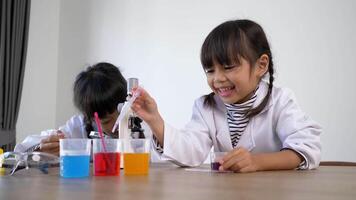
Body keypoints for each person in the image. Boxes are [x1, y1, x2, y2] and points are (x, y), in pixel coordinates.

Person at [131, 19, 322, 172]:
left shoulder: (280, 101)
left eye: (229, 67)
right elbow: (189, 152)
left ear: (261, 65)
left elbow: (306, 149)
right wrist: (154, 119)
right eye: (210, 70)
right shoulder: (205, 107)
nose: (218, 79)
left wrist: (256, 162)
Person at [15, 62, 149, 157]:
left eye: (121, 114)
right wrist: (42, 149)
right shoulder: (77, 129)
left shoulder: (143, 124)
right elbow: (20, 151)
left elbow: (163, 159)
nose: (118, 124)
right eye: (107, 121)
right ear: (90, 117)